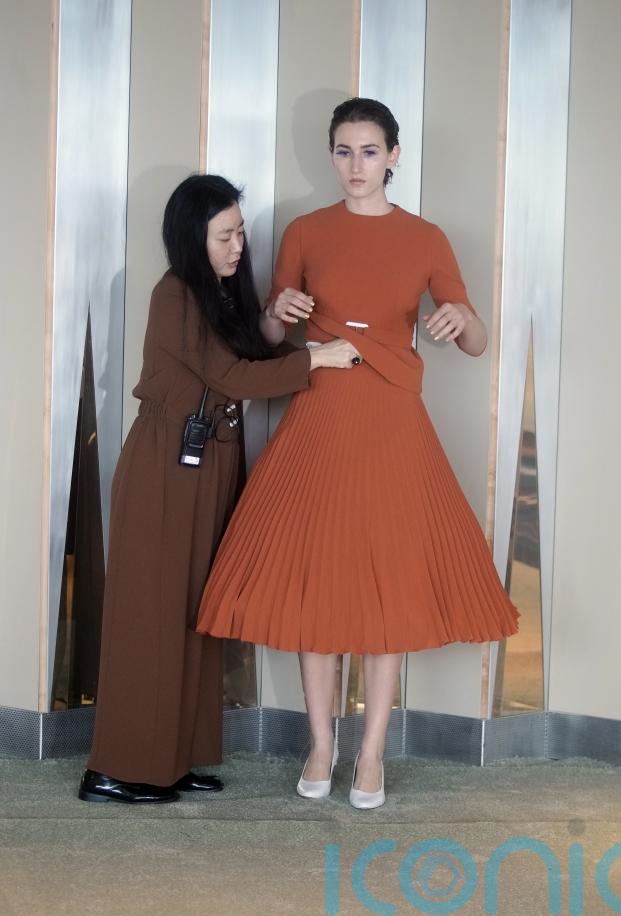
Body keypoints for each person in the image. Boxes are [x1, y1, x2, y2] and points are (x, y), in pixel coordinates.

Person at [196, 100, 519, 810]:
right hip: (320, 416)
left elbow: (474, 340)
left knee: (388, 587)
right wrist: (278, 314)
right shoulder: (306, 231)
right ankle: (321, 744)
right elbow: (272, 338)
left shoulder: (426, 237)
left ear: (393, 155)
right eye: (343, 151)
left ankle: (371, 753)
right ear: (332, 155)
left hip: (393, 424)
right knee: (319, 583)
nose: (355, 165)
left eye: (369, 151)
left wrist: (461, 316)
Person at [79, 174, 361, 804]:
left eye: (239, 233)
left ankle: (172, 759)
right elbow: (230, 375)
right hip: (166, 468)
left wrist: (293, 334)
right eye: (224, 235)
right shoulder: (174, 294)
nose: (238, 246)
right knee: (150, 615)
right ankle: (114, 769)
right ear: (192, 237)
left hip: (211, 464)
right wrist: (316, 359)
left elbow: (253, 358)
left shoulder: (219, 293)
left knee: (196, 616)